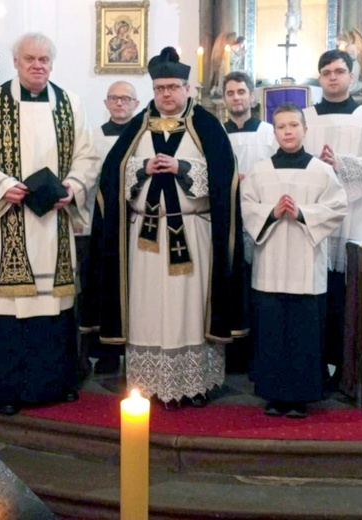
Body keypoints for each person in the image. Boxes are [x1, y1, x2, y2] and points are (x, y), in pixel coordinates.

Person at [84, 47, 247, 408]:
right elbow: (113, 178)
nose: (166, 94)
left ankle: (193, 383)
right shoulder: (138, 127)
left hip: (192, 232)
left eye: (173, 87)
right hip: (145, 238)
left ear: (188, 88)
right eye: (159, 88)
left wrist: (185, 169)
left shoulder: (206, 125)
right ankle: (149, 382)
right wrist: (141, 169)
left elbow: (225, 180)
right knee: (147, 305)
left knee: (187, 305)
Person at [0, 33, 99, 416]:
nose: (38, 65)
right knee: (8, 310)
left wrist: (73, 186)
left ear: (52, 63)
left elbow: (88, 157)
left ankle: (57, 382)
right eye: (30, 58)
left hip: (53, 224)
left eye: (45, 59)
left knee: (52, 305)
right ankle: (3, 388)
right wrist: (3, 186)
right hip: (6, 224)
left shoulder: (71, 104)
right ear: (15, 61)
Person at [241, 102, 347, 418]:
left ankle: (300, 396)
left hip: (306, 264)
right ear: (274, 132)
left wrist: (302, 213)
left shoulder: (322, 171)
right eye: (281, 126)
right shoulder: (261, 170)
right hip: (270, 264)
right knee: (272, 328)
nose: (287, 131)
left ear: (305, 129)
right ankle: (274, 395)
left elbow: (337, 208)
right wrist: (270, 213)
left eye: (293, 125)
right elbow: (247, 207)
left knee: (303, 330)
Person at [303, 49, 362, 389]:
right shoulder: (304, 118)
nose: (332, 76)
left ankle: (349, 367)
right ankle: (313, 366)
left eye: (339, 71)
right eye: (326, 71)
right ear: (319, 77)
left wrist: (342, 164)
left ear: (351, 77)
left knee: (350, 292)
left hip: (355, 214)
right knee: (316, 290)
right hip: (314, 213)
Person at [222, 71, 277, 373]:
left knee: (259, 282)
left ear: (252, 97)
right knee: (233, 282)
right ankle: (232, 353)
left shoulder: (269, 133)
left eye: (241, 92)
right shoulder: (216, 132)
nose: (237, 98)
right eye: (230, 93)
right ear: (224, 99)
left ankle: (259, 351)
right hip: (229, 217)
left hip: (262, 216)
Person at [85, 81, 140, 374]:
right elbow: (85, 179)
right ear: (106, 103)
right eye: (115, 98)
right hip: (105, 223)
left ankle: (137, 352)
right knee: (105, 284)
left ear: (136, 103)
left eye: (126, 98)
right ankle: (106, 351)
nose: (120, 103)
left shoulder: (145, 137)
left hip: (139, 221)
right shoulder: (93, 138)